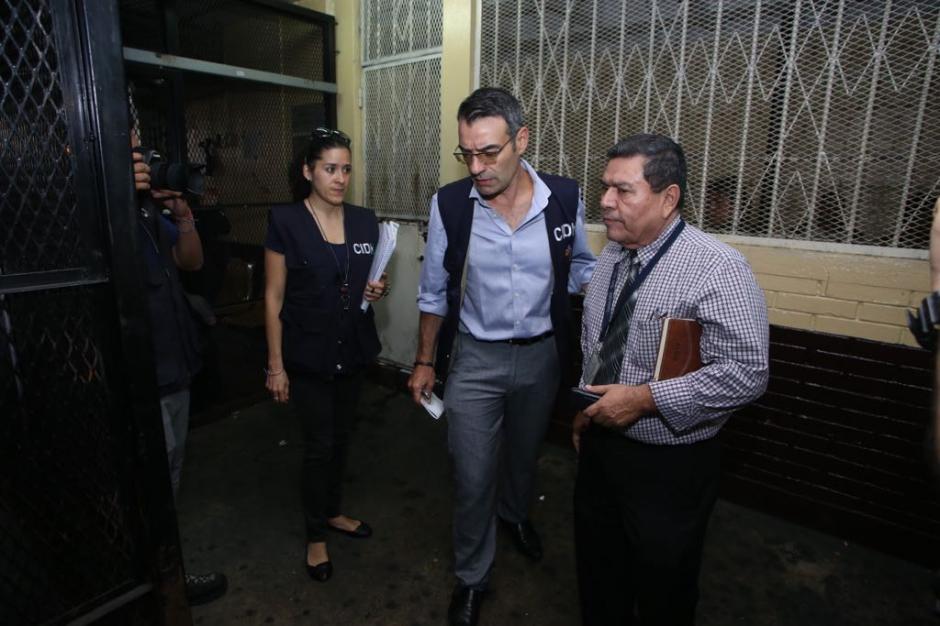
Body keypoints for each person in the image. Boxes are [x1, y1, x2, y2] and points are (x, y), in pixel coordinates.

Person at [406, 87, 596, 626]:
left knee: (523, 454)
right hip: (475, 361)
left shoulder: (563, 197)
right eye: (466, 153)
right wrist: (424, 361)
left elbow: (581, 266)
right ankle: (472, 577)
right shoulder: (449, 204)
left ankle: (514, 517)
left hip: (542, 358)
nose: (477, 166)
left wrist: (621, 282)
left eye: (489, 152)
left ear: (522, 140)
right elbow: (433, 290)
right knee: (471, 473)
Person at [572, 134, 769, 626]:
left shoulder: (717, 268)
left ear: (669, 198)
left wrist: (643, 399)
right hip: (601, 448)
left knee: (665, 587)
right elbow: (600, 342)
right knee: (600, 573)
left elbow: (747, 372)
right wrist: (587, 408)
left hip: (670, 466)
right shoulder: (613, 256)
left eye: (622, 190)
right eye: (604, 188)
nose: (605, 202)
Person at [263, 127, 389, 583]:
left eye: (346, 169)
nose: (340, 178)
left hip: (352, 350)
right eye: (330, 169)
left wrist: (377, 288)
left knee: (341, 440)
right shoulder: (286, 221)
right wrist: (275, 365)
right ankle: (316, 534)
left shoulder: (363, 220)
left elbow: (365, 280)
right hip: (308, 354)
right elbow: (274, 296)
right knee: (318, 447)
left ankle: (333, 511)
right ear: (308, 171)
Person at [132, 130, 228, 606]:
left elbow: (190, 262)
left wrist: (184, 216)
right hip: (136, 379)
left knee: (169, 478)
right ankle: (148, 587)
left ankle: (163, 578)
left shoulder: (151, 213)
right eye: (132, 152)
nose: (145, 163)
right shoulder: (94, 213)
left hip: (175, 368)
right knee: (146, 488)